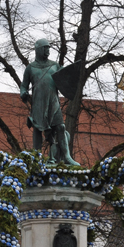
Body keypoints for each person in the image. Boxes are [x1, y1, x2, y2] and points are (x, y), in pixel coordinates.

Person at [20, 38, 79, 166]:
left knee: (61, 127)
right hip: (38, 105)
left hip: (53, 102)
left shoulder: (55, 66)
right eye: (45, 48)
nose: (48, 50)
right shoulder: (30, 68)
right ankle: (37, 158)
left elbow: (65, 79)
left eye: (48, 48)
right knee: (37, 130)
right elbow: (24, 85)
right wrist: (23, 93)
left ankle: (67, 156)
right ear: (39, 49)